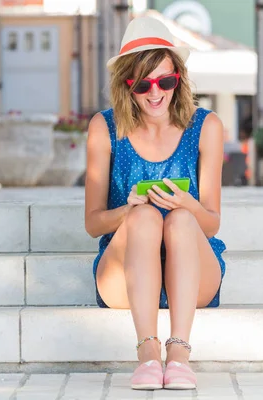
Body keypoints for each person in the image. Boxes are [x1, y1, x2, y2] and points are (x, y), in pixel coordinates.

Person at [84, 16, 227, 391]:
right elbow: (93, 224)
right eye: (143, 84)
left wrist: (187, 204)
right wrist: (128, 211)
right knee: (145, 216)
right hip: (123, 276)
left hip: (193, 271)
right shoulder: (105, 127)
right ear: (126, 86)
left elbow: (210, 225)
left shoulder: (205, 126)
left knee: (180, 220)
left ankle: (178, 354)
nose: (155, 93)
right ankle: (148, 353)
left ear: (177, 78)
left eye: (165, 81)